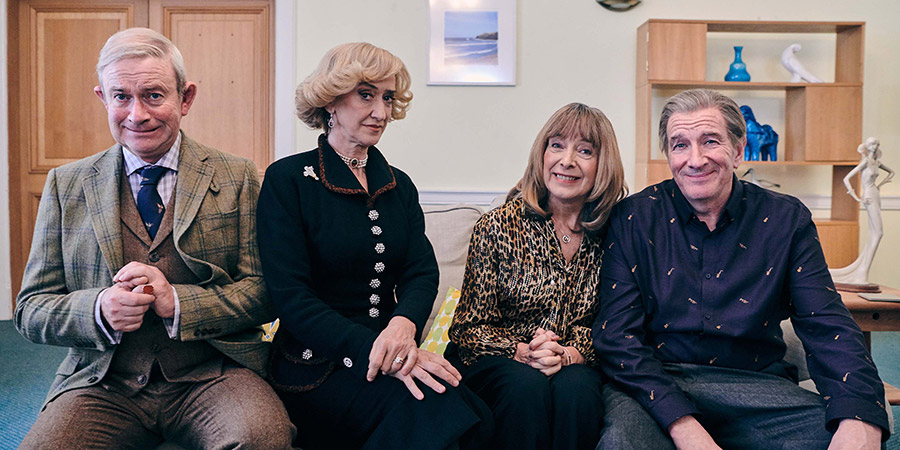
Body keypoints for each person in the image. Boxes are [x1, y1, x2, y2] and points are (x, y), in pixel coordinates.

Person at [14, 28, 293, 449]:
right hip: (102, 383)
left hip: (214, 372)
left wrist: (179, 302)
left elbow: (265, 293)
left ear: (186, 97)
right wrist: (99, 309)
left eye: (154, 95)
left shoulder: (237, 176)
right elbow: (31, 310)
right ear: (103, 99)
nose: (137, 114)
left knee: (262, 440)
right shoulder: (65, 185)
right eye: (121, 96)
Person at [593, 88, 890, 449]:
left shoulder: (786, 219)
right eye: (680, 145)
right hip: (655, 382)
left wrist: (859, 417)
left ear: (737, 150)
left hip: (754, 386)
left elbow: (827, 323)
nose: (696, 159)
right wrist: (684, 427)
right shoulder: (634, 218)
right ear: (668, 154)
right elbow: (616, 337)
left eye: (710, 141)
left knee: (841, 435)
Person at [256, 42, 491, 449]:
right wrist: (379, 351)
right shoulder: (288, 180)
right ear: (331, 100)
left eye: (387, 97)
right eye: (366, 95)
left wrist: (404, 327)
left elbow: (421, 271)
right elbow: (290, 298)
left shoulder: (398, 184)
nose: (381, 112)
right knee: (432, 412)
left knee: (479, 417)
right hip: (316, 364)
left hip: (393, 352)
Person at [448, 103, 628, 450]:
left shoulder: (617, 233)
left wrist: (569, 354)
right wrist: (523, 352)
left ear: (602, 165)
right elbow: (468, 328)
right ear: (542, 153)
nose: (567, 160)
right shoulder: (497, 226)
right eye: (556, 145)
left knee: (576, 390)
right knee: (525, 386)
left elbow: (618, 324)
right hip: (500, 361)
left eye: (585, 151)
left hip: (577, 360)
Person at [831, 137, 895, 285]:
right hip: (868, 196)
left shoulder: (877, 163)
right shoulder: (865, 162)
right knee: (878, 232)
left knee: (874, 232)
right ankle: (862, 272)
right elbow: (847, 178)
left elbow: (891, 173)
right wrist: (855, 195)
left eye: (876, 144)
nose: (875, 146)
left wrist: (881, 184)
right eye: (872, 144)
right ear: (867, 146)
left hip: (875, 193)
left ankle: (862, 271)